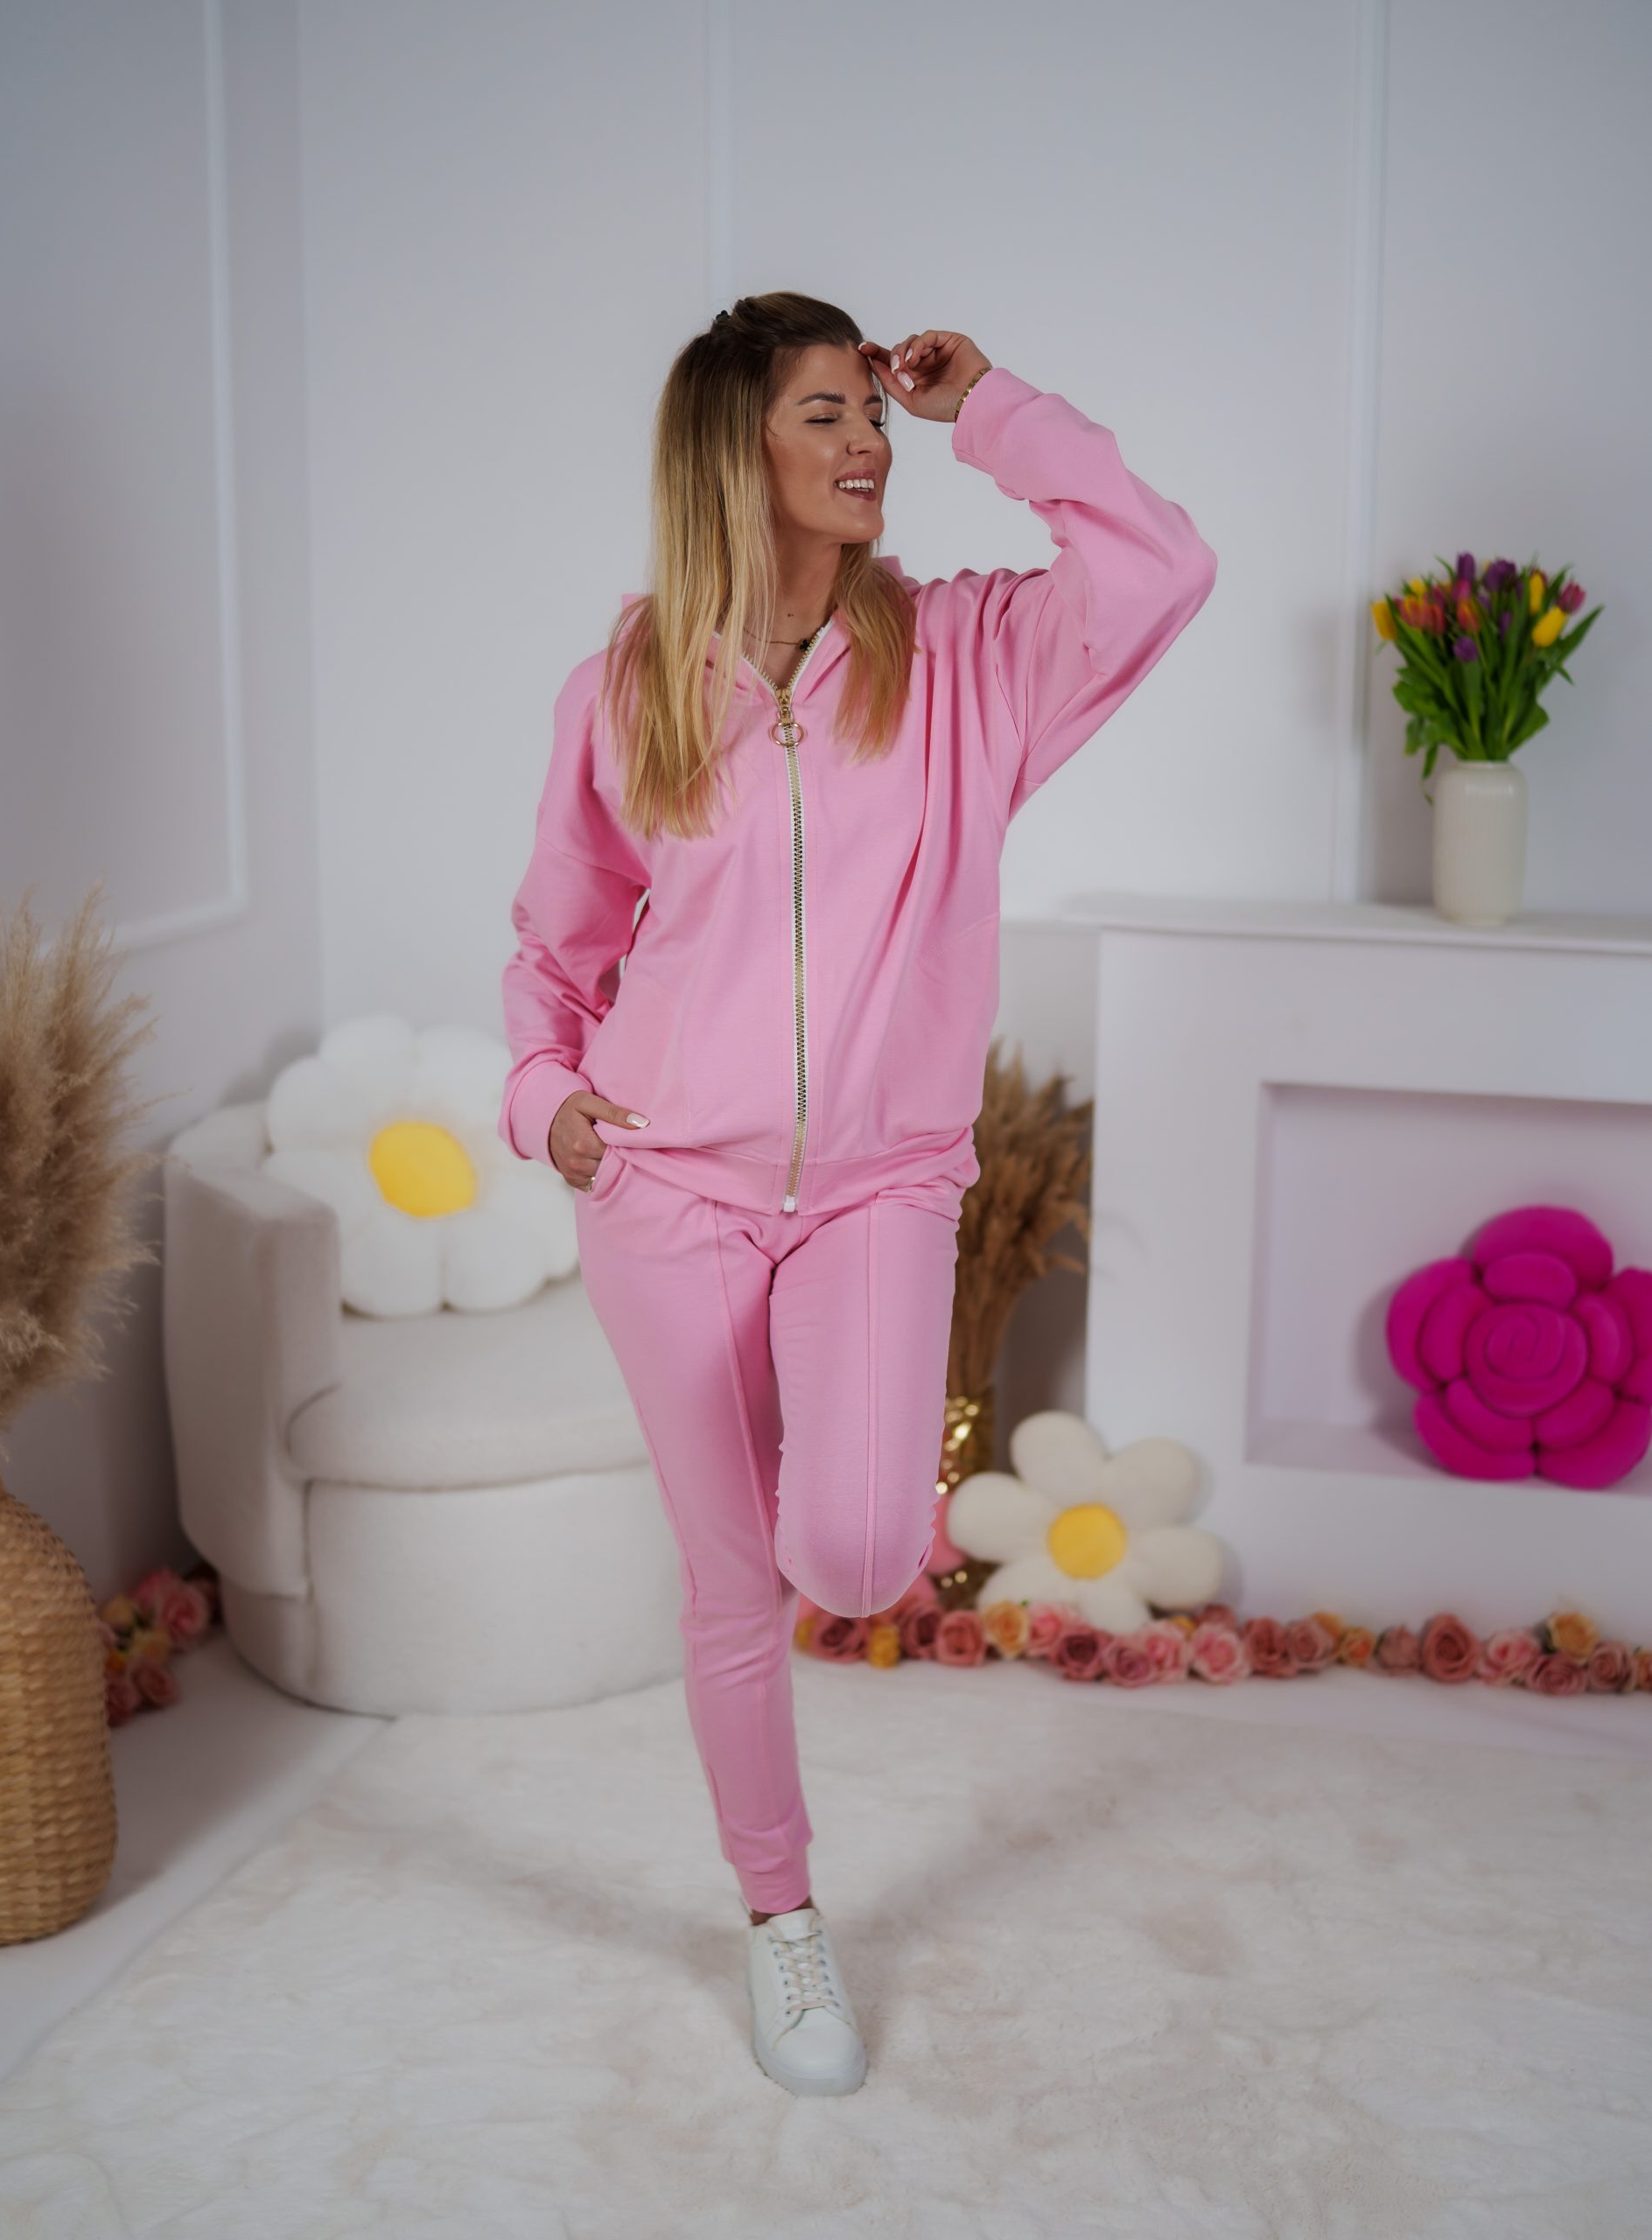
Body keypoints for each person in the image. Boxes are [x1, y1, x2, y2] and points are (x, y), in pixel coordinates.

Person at [498, 292, 1216, 2095]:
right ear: (731, 450)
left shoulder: (966, 656)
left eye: (870, 414)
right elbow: (558, 945)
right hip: (663, 1194)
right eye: (823, 413)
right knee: (728, 1587)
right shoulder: (629, 685)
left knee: (858, 1549)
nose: (867, 443)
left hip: (880, 1189)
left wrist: (996, 409)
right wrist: (543, 1102)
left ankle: (825, 1544)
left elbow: (1162, 563)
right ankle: (781, 1923)